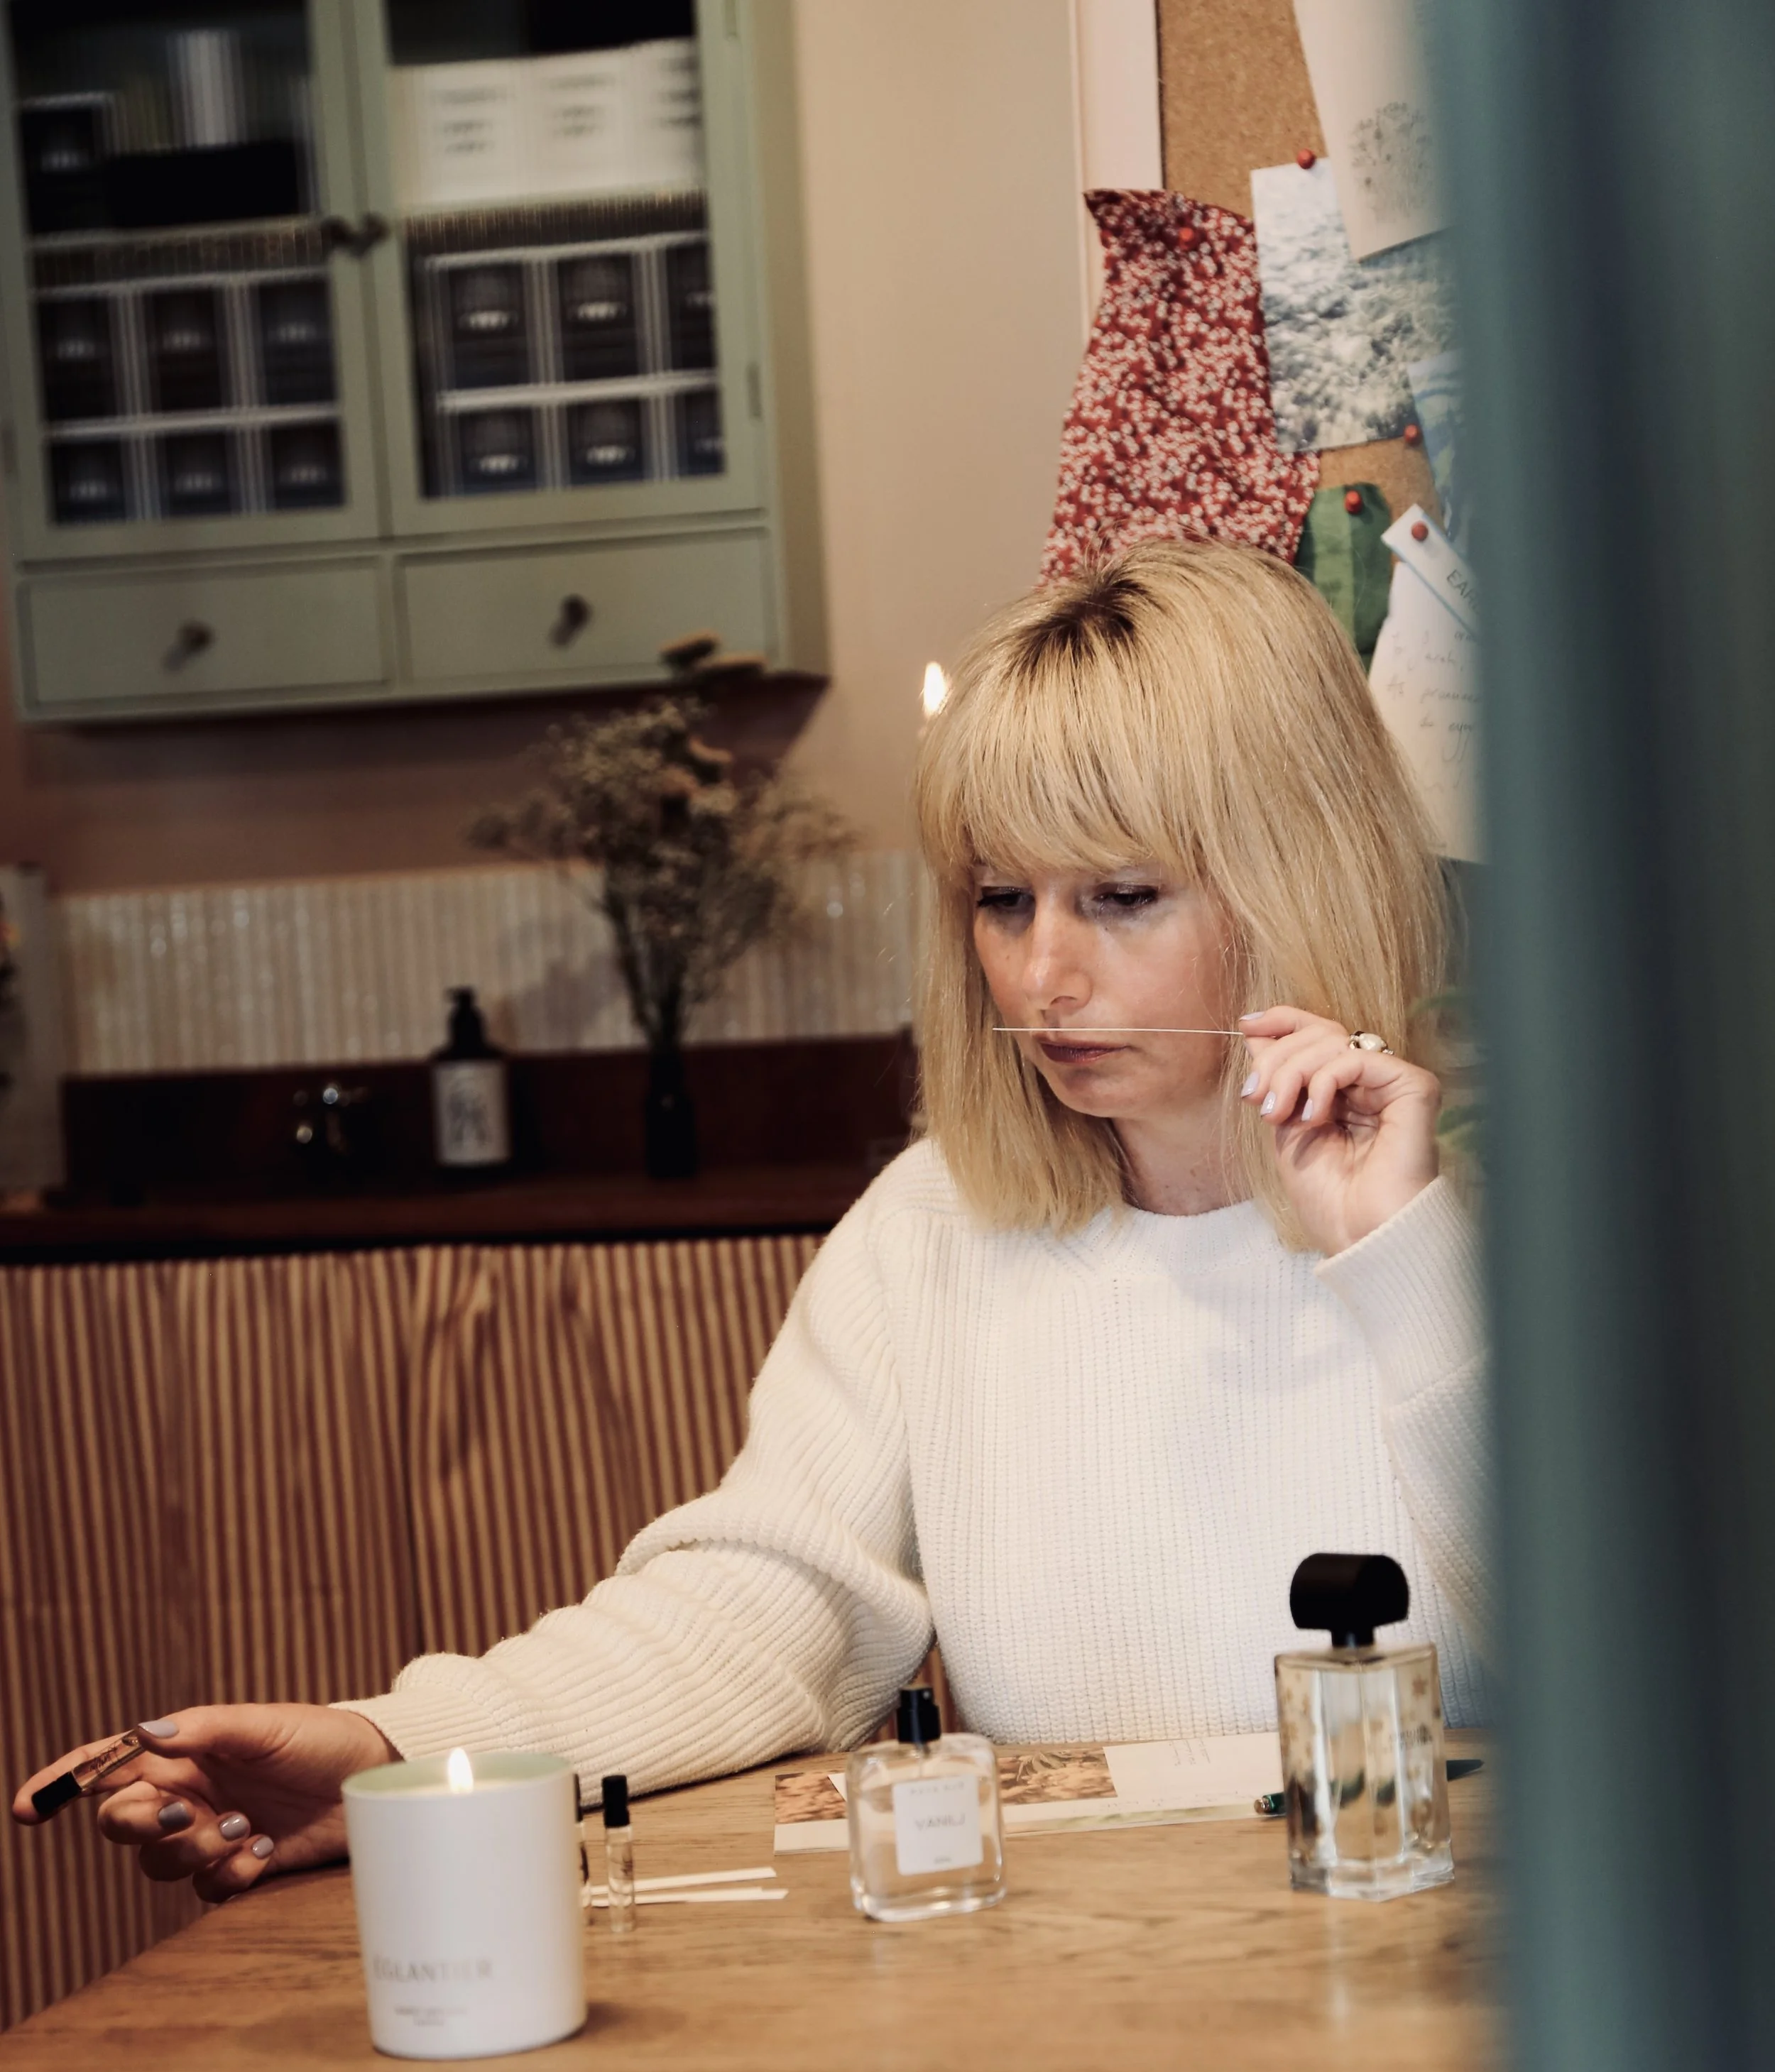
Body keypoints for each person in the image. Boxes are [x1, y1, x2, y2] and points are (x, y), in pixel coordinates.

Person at [12, 539, 1486, 1900]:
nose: (1040, 976)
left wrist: (1405, 1260)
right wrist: (395, 1745)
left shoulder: (1508, 1197)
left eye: (1118, 894)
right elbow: (767, 1607)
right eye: (997, 898)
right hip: (1087, 1990)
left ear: (1297, 872)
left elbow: (1648, 1654)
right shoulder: (933, 1230)